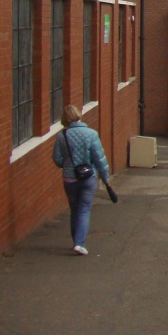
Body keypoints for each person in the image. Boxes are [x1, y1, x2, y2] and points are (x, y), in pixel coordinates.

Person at [52, 105, 110, 255]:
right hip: (88, 178)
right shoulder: (91, 134)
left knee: (75, 209)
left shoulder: (62, 136)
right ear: (79, 116)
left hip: (70, 179)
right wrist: (105, 178)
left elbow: (57, 159)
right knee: (84, 209)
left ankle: (75, 241)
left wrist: (68, 163)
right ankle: (80, 243)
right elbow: (99, 159)